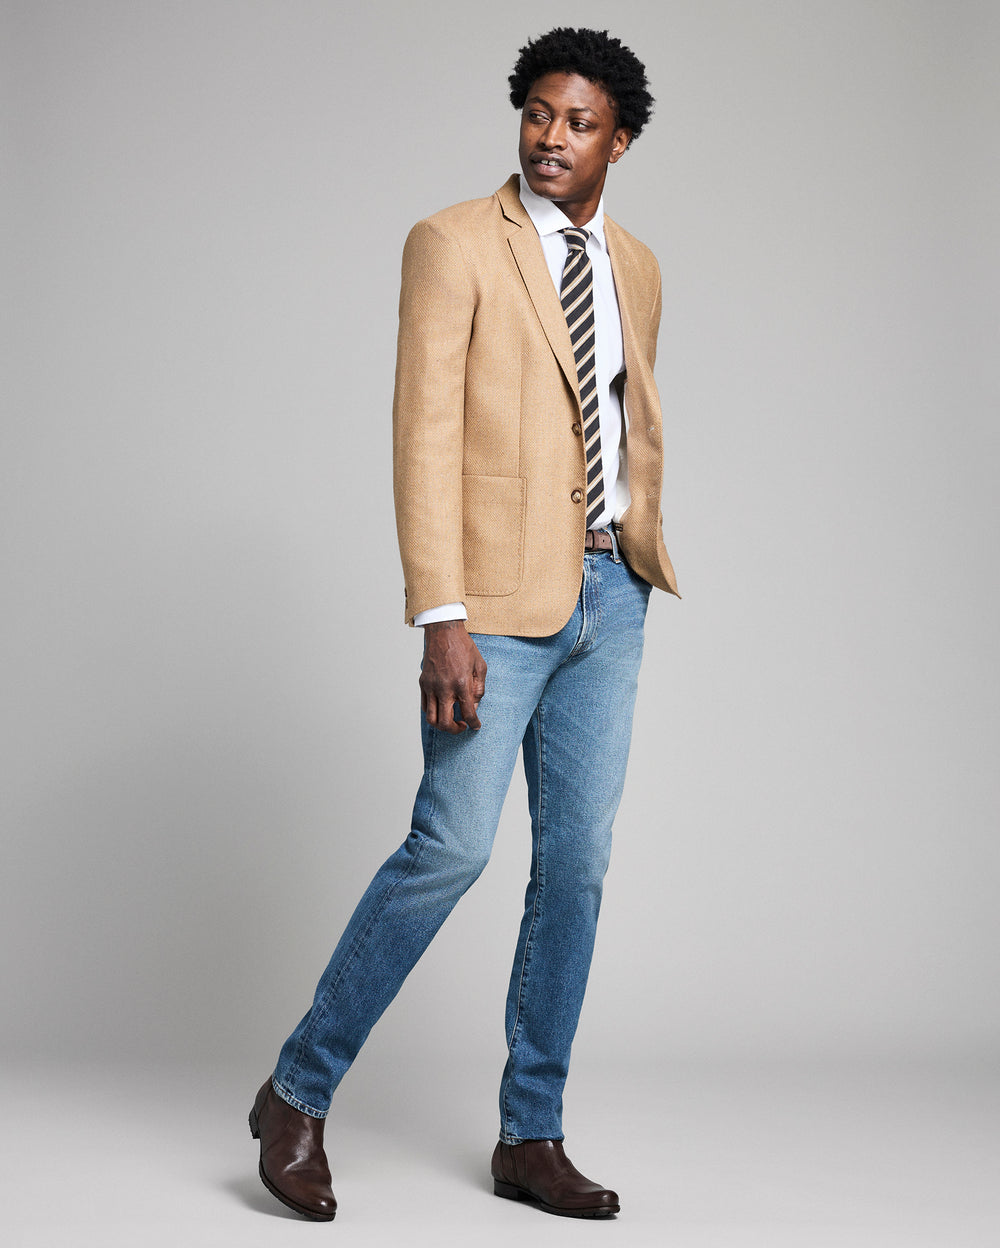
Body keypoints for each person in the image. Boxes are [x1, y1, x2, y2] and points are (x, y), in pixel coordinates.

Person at [249, 26, 679, 1222]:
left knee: (577, 872)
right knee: (450, 847)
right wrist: (440, 615)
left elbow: (622, 417)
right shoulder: (450, 244)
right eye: (538, 113)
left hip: (610, 596)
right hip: (489, 604)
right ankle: (296, 1092)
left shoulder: (635, 263)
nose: (551, 137)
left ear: (619, 140)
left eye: (578, 122)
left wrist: (633, 548)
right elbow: (422, 430)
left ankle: (529, 1135)